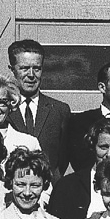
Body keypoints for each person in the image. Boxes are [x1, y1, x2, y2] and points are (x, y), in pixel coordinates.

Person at [7, 39, 71, 184]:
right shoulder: (0, 110)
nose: (31, 75)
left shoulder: (59, 110)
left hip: (47, 189)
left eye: (36, 68)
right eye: (24, 68)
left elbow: (63, 159)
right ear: (12, 70)